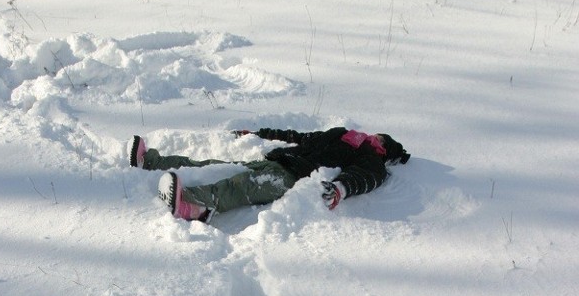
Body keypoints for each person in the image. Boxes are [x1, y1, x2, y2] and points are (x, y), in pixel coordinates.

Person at [129, 127, 410, 222]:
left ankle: (191, 205)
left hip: (291, 178)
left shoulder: (373, 159)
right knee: (211, 164)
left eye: (382, 142)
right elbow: (300, 136)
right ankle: (152, 161)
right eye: (378, 136)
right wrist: (259, 133)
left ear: (385, 150)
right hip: (278, 162)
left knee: (238, 186)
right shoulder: (342, 134)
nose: (376, 139)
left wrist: (340, 188)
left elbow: (365, 177)